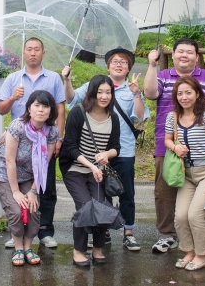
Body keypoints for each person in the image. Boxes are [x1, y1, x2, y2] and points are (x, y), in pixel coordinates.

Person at [143, 38, 205, 253]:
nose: (184, 55)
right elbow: (150, 94)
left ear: (196, 57)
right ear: (173, 55)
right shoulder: (162, 75)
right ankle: (165, 235)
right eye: (180, 51)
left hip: (201, 152)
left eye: (189, 52)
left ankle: (192, 238)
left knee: (194, 198)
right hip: (167, 144)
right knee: (164, 191)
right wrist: (152, 66)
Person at [62, 47, 149, 251]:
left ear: (129, 68)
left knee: (126, 192)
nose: (119, 64)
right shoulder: (96, 85)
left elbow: (141, 117)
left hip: (123, 150)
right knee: (103, 192)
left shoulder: (132, 88)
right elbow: (71, 100)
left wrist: (137, 94)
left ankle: (128, 232)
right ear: (108, 65)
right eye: (115, 61)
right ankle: (105, 230)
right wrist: (67, 80)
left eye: (124, 62)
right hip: (96, 153)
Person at [0, 37, 65, 249]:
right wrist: (12, 98)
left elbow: (60, 109)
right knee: (16, 186)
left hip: (46, 140)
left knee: (45, 185)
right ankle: (16, 231)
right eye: (29, 49)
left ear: (43, 53)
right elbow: (1, 109)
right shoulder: (13, 79)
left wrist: (59, 137)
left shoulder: (53, 78)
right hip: (18, 142)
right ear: (23, 53)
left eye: (37, 49)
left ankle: (45, 230)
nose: (33, 53)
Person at [0, 90, 59, 266]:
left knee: (33, 208)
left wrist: (32, 190)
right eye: (37, 105)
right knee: (15, 210)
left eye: (45, 106)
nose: (41, 110)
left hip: (30, 174)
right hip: (6, 173)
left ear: (51, 111)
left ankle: (28, 247)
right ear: (29, 108)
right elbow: (9, 161)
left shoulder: (51, 130)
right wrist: (15, 192)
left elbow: (45, 162)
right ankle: (18, 248)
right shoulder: (17, 126)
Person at [59, 75, 121, 267]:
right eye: (100, 92)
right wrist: (92, 165)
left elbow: (116, 148)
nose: (104, 96)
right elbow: (69, 147)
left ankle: (97, 248)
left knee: (101, 205)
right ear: (91, 92)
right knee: (85, 205)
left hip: (98, 171)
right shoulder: (78, 113)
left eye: (108, 92)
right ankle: (78, 250)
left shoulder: (114, 118)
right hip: (75, 168)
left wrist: (106, 155)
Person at [164, 76, 205, 271]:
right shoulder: (173, 116)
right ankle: (189, 251)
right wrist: (175, 147)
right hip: (185, 172)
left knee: (195, 214)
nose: (184, 97)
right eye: (180, 93)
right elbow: (166, 140)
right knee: (180, 216)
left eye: (188, 92)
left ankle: (201, 254)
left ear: (197, 94)